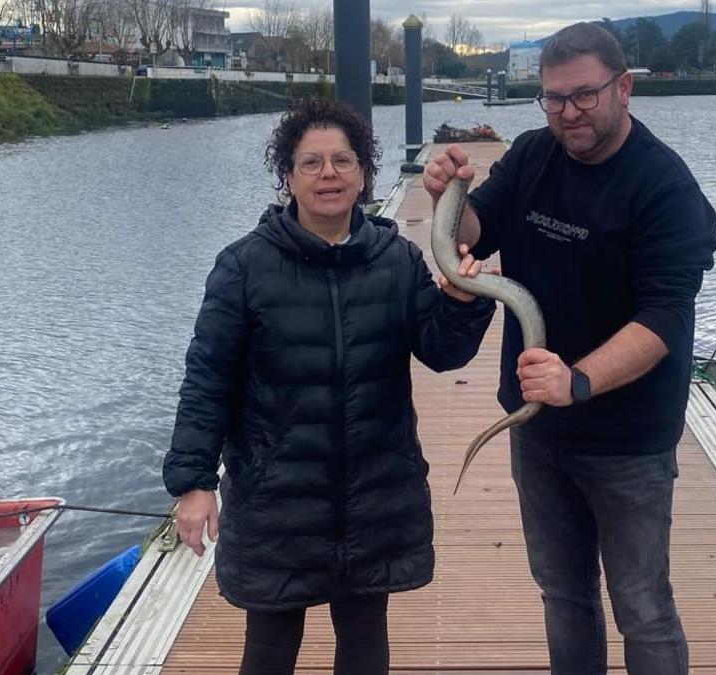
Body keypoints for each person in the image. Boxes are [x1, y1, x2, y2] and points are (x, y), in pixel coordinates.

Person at [422, 22, 716, 675]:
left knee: (643, 604)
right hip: (540, 429)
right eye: (553, 99)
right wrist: (450, 199)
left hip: (627, 438)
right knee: (564, 595)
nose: (567, 113)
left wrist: (577, 380)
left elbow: (665, 317)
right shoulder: (532, 155)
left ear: (624, 88)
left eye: (583, 96)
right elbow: (476, 231)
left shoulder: (665, 188)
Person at [163, 98, 494, 675]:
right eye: (311, 163)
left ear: (364, 173)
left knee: (365, 643)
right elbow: (206, 380)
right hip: (277, 500)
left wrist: (462, 303)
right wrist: (194, 482)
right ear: (287, 177)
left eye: (343, 161)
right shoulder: (243, 268)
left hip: (375, 494)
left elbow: (443, 352)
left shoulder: (396, 259)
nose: (329, 175)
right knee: (269, 648)